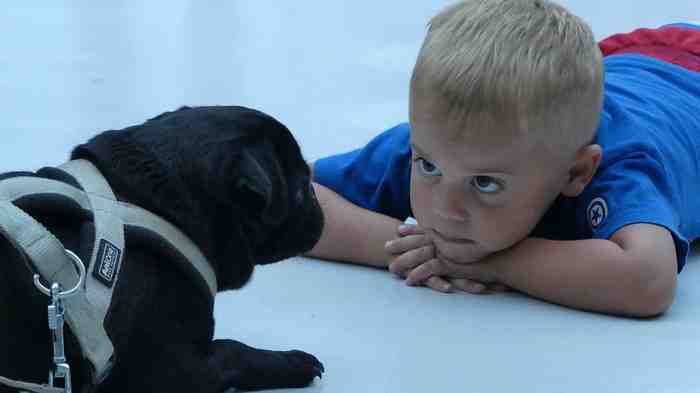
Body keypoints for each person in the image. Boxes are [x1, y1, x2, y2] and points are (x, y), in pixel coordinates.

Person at [306, 0, 700, 317]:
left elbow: (648, 280)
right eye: (428, 168)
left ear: (577, 172)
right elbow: (289, 196)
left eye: (485, 183)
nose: (446, 210)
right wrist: (404, 248)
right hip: (626, 58)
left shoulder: (621, 167)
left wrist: (495, 263)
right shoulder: (447, 139)